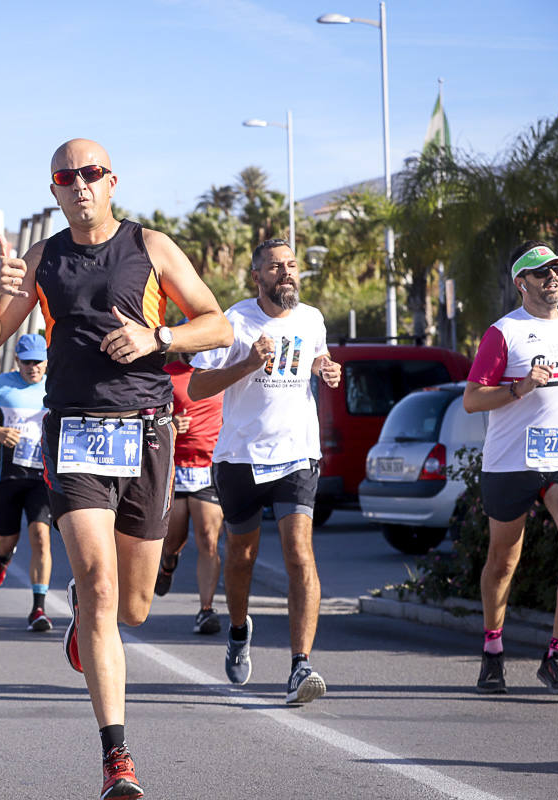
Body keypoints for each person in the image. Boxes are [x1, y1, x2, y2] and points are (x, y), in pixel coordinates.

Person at [0, 138, 231, 800]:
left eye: (90, 173)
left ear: (111, 181)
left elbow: (218, 324)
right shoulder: (44, 257)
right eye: (66, 176)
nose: (79, 184)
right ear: (53, 190)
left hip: (145, 434)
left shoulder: (151, 246)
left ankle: (90, 634)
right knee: (99, 588)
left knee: (132, 608)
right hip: (74, 434)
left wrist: (158, 337)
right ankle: (118, 758)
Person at [187, 238, 341, 705]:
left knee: (299, 552)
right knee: (242, 557)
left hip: (297, 453)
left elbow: (316, 355)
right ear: (257, 276)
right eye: (276, 267)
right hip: (240, 457)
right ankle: (238, 630)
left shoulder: (311, 318)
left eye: (292, 265)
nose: (286, 273)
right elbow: (196, 385)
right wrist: (249, 362)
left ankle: (301, 666)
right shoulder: (232, 322)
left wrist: (325, 367)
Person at [463, 240, 558, 697]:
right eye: (542, 273)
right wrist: (520, 388)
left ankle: (556, 655)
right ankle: (493, 650)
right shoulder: (504, 333)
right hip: (511, 462)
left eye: (557, 270)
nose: (553, 278)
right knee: (504, 560)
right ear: (522, 283)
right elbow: (472, 400)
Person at [0, 334, 54, 632]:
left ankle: (38, 608)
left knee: (41, 536)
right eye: (27, 362)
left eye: (38, 362)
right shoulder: (1, 384)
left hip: (41, 476)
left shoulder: (56, 385)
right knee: (7, 540)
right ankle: (3, 557)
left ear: (46, 361)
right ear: (18, 361)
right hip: (8, 474)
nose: (33, 368)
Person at [153, 349, 226, 636]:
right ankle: (168, 563)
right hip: (175, 466)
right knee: (173, 539)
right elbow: (148, 415)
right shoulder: (166, 374)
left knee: (209, 538)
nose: (196, 351)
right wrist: (168, 424)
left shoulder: (223, 373)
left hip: (209, 467)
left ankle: (206, 610)